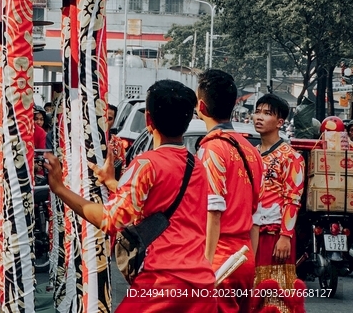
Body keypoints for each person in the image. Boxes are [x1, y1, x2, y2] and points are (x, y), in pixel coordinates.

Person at [45, 80, 216, 312]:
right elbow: (158, 201)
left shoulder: (146, 164)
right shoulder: (195, 165)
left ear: (148, 119)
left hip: (161, 284)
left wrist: (60, 189)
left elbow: (110, 219)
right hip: (200, 283)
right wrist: (112, 182)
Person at [196, 69, 264, 313]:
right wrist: (251, 264)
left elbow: (213, 212)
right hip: (245, 260)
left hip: (219, 260)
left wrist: (204, 266)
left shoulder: (212, 149)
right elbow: (257, 217)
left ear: (201, 106)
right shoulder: (253, 151)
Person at [251, 94, 304, 294]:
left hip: (274, 236)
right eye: (257, 112)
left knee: (275, 293)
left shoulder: (292, 157)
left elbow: (293, 199)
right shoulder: (251, 154)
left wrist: (286, 236)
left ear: (280, 122)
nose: (259, 117)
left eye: (266, 113)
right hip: (251, 232)